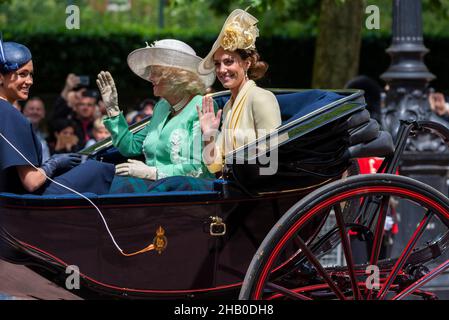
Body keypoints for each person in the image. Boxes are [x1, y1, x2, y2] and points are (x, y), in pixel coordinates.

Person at [97, 39, 216, 192]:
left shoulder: (201, 106)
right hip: (153, 188)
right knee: (99, 176)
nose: (150, 77)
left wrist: (152, 172)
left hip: (184, 190)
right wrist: (112, 108)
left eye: (156, 72)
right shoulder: (161, 107)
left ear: (176, 76)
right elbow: (130, 147)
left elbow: (199, 167)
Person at [0, 38, 114, 195]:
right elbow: (31, 182)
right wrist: (53, 163)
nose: (29, 81)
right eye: (22, 74)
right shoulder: (10, 114)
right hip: (29, 202)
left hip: (13, 199)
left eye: (31, 75)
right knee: (97, 168)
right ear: (1, 77)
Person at [196, 9, 282, 175]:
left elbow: (270, 161)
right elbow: (214, 166)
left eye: (229, 62)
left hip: (256, 191)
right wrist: (208, 135)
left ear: (247, 63)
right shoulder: (229, 105)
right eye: (217, 64)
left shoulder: (261, 98)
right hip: (233, 187)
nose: (221, 70)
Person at [22, 97, 50, 162]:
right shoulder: (16, 132)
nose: (35, 112)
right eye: (31, 109)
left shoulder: (44, 137)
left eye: (38, 109)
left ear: (43, 114)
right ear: (24, 112)